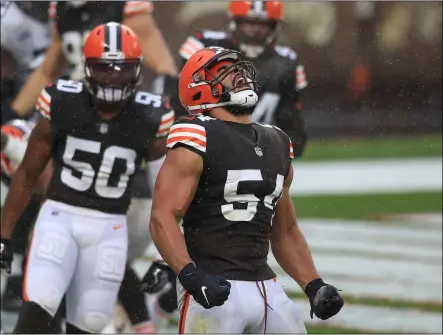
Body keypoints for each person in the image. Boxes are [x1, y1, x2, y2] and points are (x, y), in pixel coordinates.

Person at [3, 2, 178, 332]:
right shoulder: (61, 100)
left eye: (121, 69)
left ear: (137, 71)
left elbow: (166, 194)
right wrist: (4, 237)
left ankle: (139, 321)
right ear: (86, 68)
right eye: (103, 68)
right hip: (61, 212)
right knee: (40, 306)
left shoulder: (151, 114)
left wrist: (166, 258)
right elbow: (27, 174)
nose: (112, 78)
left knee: (90, 324)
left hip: (109, 224)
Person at [148, 46, 344, 333]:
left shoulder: (276, 140)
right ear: (200, 87)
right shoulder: (196, 134)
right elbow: (162, 217)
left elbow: (285, 231)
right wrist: (191, 274)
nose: (238, 74)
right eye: (224, 71)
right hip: (213, 284)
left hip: (266, 285)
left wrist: (313, 284)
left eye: (239, 68)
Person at [175, 0, 308, 158]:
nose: (255, 31)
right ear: (234, 22)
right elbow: (179, 103)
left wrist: (273, 149)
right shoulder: (204, 46)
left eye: (263, 25)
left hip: (258, 150)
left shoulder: (286, 63)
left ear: (274, 27)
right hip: (206, 144)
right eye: (249, 23)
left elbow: (293, 131)